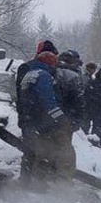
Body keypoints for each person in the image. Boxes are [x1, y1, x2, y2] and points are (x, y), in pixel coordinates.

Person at [17, 51, 74, 189]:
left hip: (28, 119)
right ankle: (41, 184)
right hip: (41, 121)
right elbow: (48, 102)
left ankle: (25, 182)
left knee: (30, 152)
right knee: (48, 152)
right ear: (50, 63)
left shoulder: (29, 74)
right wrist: (62, 119)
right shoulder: (43, 75)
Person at [15, 40, 58, 184]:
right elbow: (48, 98)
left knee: (31, 150)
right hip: (40, 118)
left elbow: (20, 94)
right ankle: (37, 182)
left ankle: (27, 180)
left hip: (30, 116)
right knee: (41, 150)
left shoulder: (26, 68)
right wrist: (60, 117)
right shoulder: (43, 73)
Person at [52, 50, 84, 180]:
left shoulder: (54, 72)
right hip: (65, 118)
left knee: (51, 147)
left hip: (54, 116)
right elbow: (77, 100)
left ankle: (50, 176)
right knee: (65, 152)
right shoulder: (71, 76)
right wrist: (76, 119)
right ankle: (63, 181)